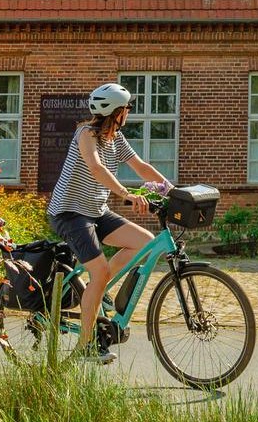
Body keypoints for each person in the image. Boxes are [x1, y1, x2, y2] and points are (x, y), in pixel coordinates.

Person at [47, 82, 172, 364]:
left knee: (145, 244)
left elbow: (140, 166)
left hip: (96, 210)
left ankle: (98, 286)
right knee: (100, 271)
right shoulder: (86, 133)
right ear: (117, 111)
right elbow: (95, 167)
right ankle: (85, 347)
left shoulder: (117, 138)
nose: (129, 112)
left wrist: (171, 189)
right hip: (69, 212)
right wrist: (126, 194)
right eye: (127, 108)